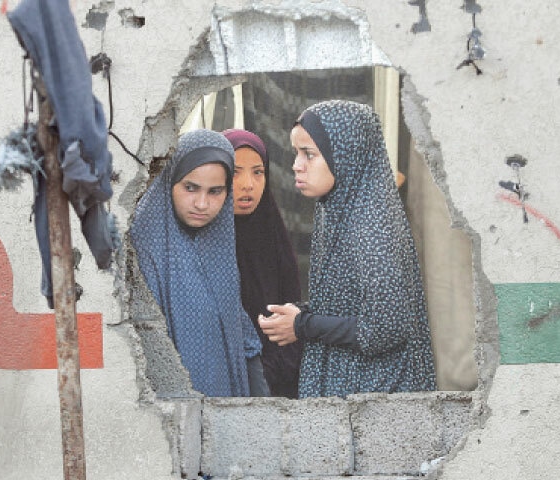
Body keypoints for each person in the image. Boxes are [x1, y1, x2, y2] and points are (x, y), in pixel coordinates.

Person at [258, 100, 437, 398]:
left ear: (346, 155)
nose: (296, 165)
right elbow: (349, 306)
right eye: (296, 153)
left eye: (309, 155)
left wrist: (303, 325)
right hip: (353, 388)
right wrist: (299, 316)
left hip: (375, 399)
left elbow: (386, 328)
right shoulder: (337, 208)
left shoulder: (371, 225)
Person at [130, 129, 268, 397]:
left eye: (215, 191)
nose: (202, 204)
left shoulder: (218, 244)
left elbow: (242, 336)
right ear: (170, 181)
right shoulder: (144, 246)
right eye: (190, 188)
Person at [223, 129, 304, 399]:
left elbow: (289, 304)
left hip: (280, 381)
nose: (248, 184)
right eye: (235, 172)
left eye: (258, 172)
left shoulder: (273, 233)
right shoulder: (202, 241)